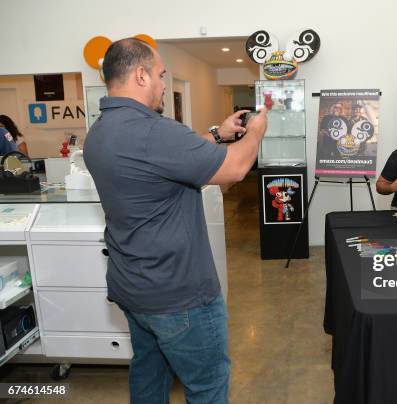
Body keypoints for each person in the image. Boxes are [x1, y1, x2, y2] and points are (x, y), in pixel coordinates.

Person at [83, 38, 268, 403]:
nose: (164, 83)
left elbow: (162, 158)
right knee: (208, 386)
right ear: (140, 74)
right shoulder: (155, 131)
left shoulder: (100, 133)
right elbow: (235, 168)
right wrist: (257, 129)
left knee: (149, 378)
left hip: (133, 288)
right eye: (160, 74)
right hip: (179, 295)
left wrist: (217, 134)